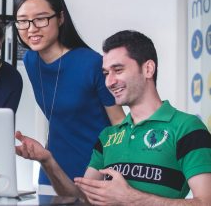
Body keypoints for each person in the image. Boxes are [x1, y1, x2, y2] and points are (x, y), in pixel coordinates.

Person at [15, 30, 211, 204]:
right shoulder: (108, 136)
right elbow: (82, 196)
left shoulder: (187, 127)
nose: (109, 82)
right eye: (106, 73)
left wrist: (132, 198)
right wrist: (47, 160)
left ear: (148, 69)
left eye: (118, 70)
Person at [13, 0, 125, 190]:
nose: (31, 29)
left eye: (41, 19)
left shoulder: (91, 63)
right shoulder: (30, 61)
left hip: (95, 175)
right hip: (52, 173)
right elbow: (59, 116)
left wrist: (106, 174)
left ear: (61, 17)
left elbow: (120, 124)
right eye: (23, 21)